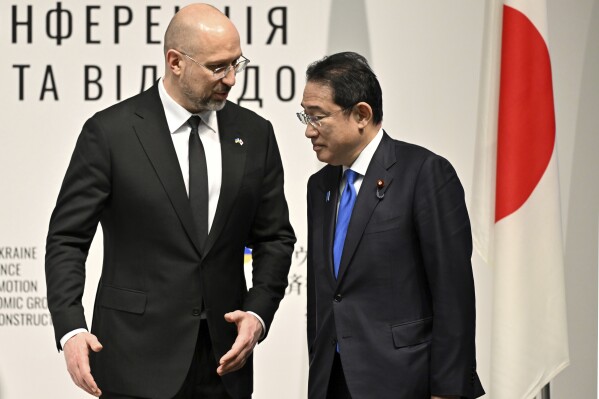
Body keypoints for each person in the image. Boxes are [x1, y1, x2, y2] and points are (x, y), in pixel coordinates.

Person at [45, 4, 295, 399]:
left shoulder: (255, 134)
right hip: (132, 360)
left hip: (224, 365)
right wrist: (71, 328)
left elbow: (276, 238)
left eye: (236, 64)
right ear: (175, 62)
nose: (231, 79)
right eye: (217, 67)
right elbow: (67, 239)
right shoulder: (110, 133)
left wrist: (258, 314)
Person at [300, 52, 485, 399]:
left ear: (361, 114)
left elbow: (453, 294)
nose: (309, 130)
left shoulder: (424, 174)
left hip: (405, 382)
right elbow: (325, 298)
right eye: (306, 117)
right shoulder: (319, 187)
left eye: (318, 117)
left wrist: (447, 390)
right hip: (333, 381)